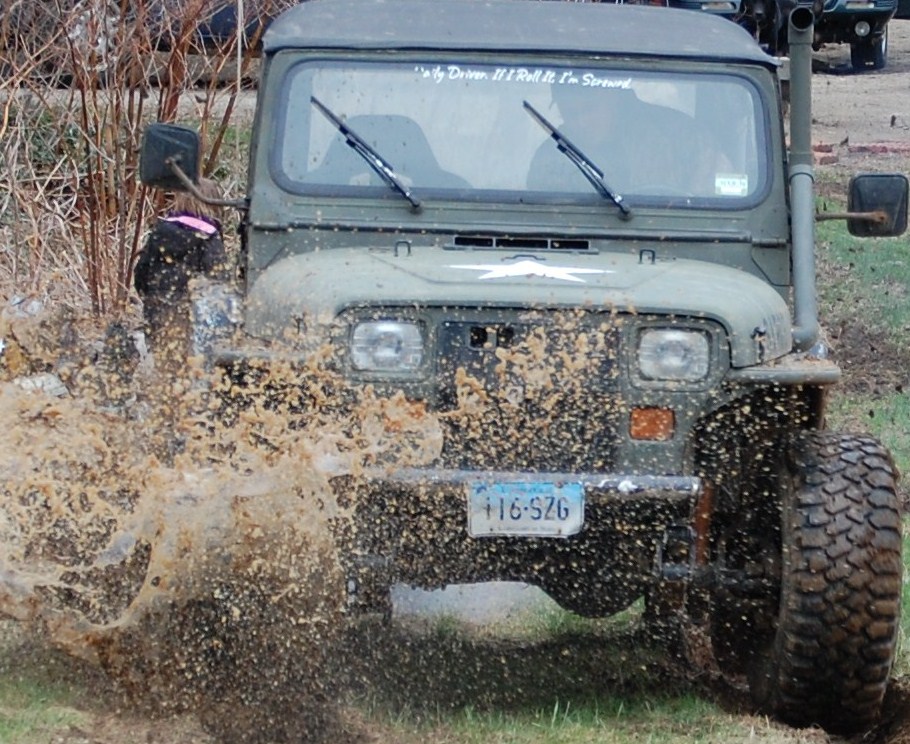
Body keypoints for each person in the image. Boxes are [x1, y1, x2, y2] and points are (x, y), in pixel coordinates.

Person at [526, 82, 726, 198]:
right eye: (569, 112)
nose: (581, 121)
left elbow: (720, 204)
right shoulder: (554, 153)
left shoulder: (680, 136)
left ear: (613, 98)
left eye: (589, 109)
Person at [133, 179, 230, 347]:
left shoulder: (160, 231)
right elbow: (219, 281)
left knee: (165, 362)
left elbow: (141, 271)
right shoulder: (208, 237)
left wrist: (149, 299)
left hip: (158, 314)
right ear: (213, 202)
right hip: (194, 321)